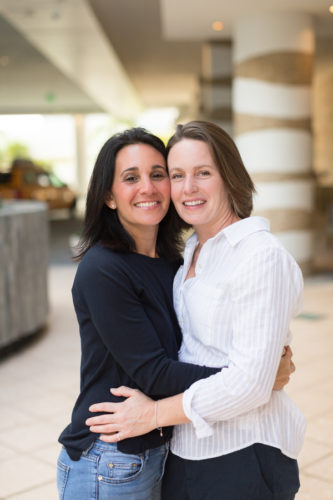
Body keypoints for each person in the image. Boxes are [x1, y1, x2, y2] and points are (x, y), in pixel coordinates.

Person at [86, 121, 305, 500]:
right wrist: (262, 375)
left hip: (243, 452)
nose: (188, 188)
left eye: (203, 173)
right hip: (185, 451)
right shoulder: (188, 255)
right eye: (177, 175)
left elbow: (249, 384)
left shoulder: (259, 256)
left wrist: (154, 414)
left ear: (230, 178)